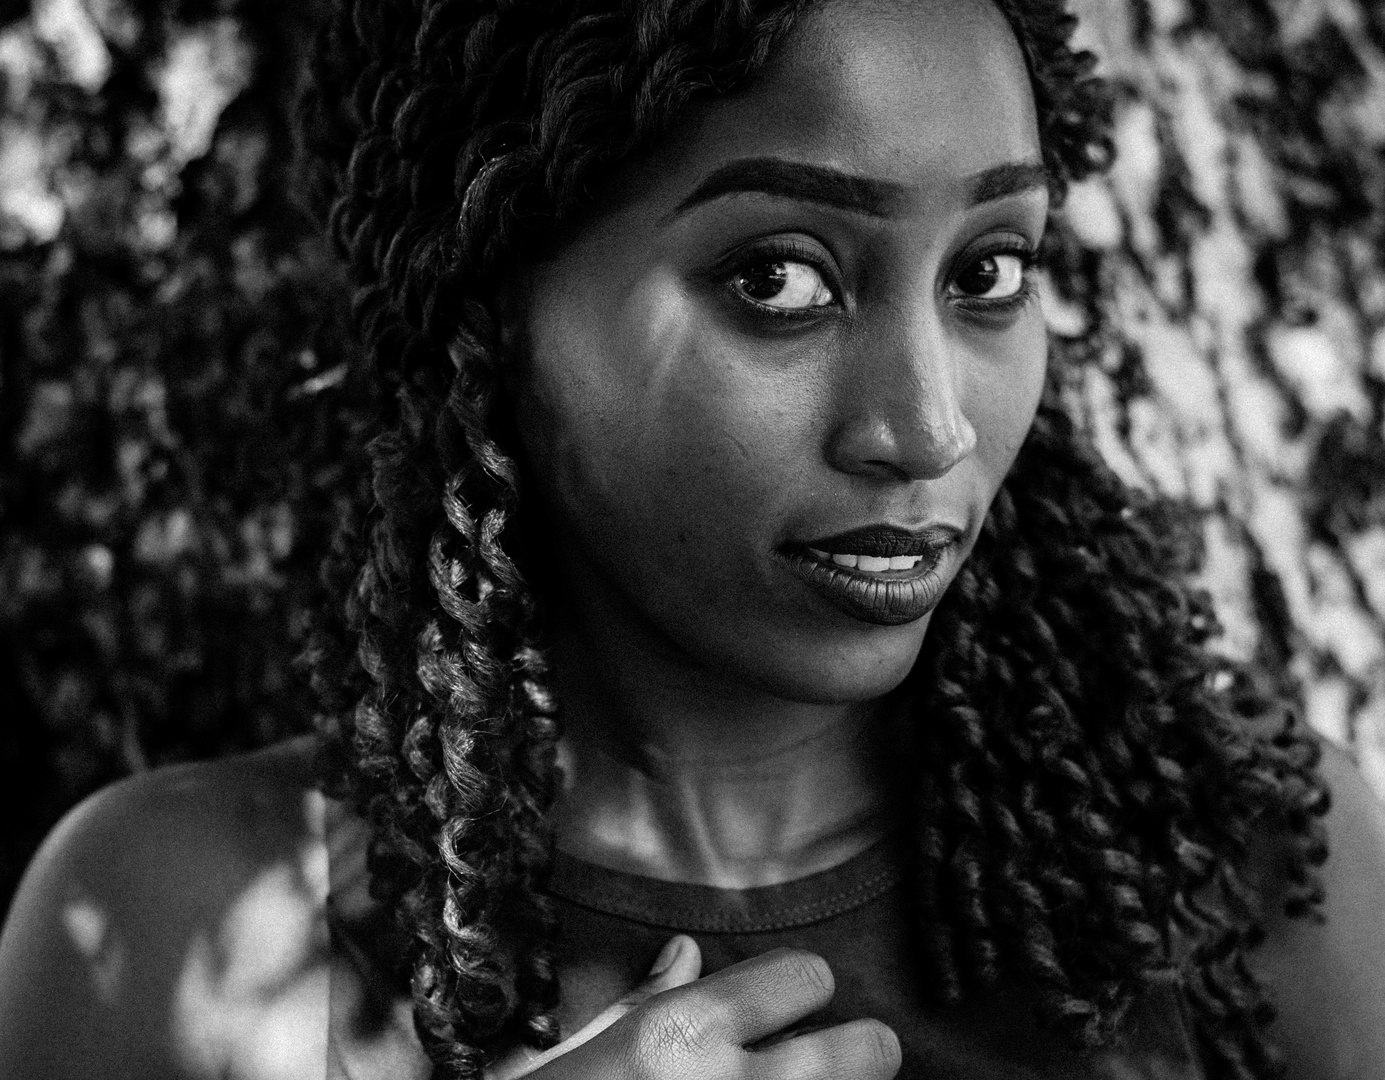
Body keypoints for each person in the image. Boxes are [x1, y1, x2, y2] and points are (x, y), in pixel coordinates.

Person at [3, 0, 1384, 1077]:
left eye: (987, 271)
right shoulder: (183, 920)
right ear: (489, 304)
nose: (925, 428)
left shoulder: (1263, 874)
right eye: (777, 277)